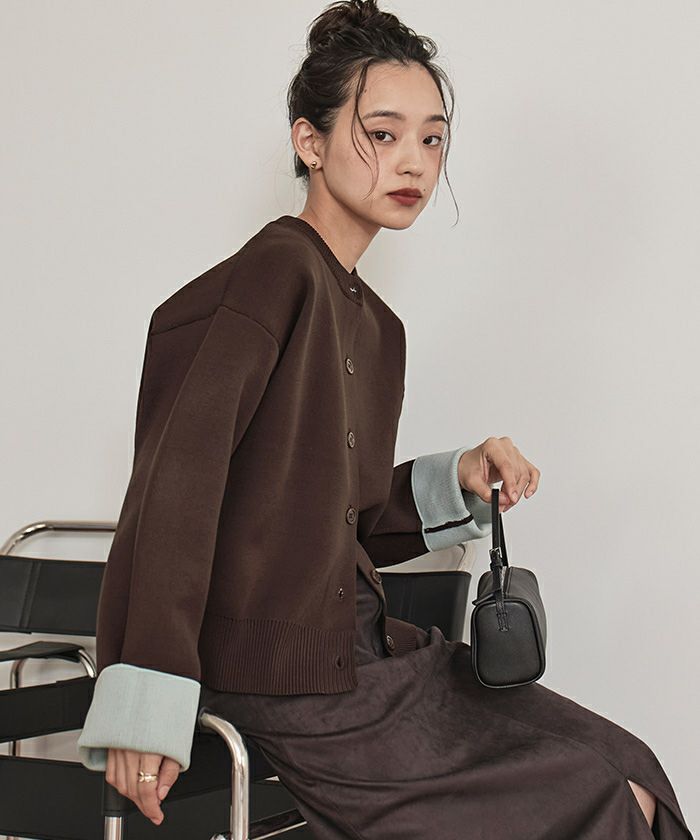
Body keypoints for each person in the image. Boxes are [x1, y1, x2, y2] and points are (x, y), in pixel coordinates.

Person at [77, 1, 694, 837]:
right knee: (598, 795)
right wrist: (145, 705)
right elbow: (174, 492)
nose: (413, 161)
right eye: (382, 134)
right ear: (310, 141)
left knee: (630, 771)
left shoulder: (376, 326)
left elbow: (345, 525)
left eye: (432, 139)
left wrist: (458, 476)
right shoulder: (272, 275)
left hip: (376, 656)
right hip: (290, 684)